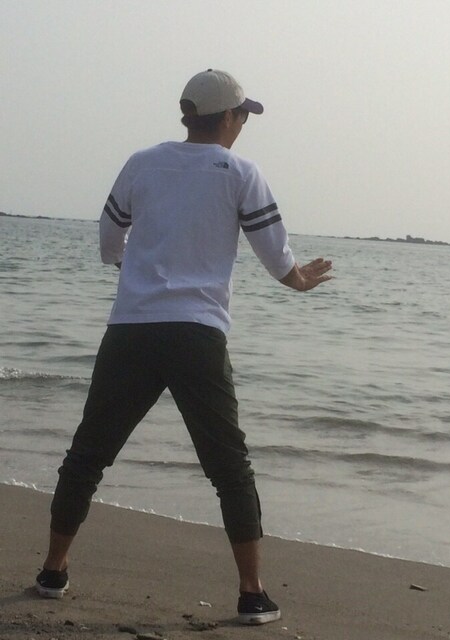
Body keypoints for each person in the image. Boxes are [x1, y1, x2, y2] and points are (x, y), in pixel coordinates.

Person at [35, 69, 333, 625]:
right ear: (228, 118)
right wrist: (298, 280)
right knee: (229, 466)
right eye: (243, 116)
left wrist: (132, 269)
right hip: (197, 333)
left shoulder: (143, 162)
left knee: (89, 454)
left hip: (132, 329)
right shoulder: (240, 172)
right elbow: (274, 252)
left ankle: (53, 570)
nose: (243, 125)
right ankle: (252, 594)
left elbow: (109, 239)